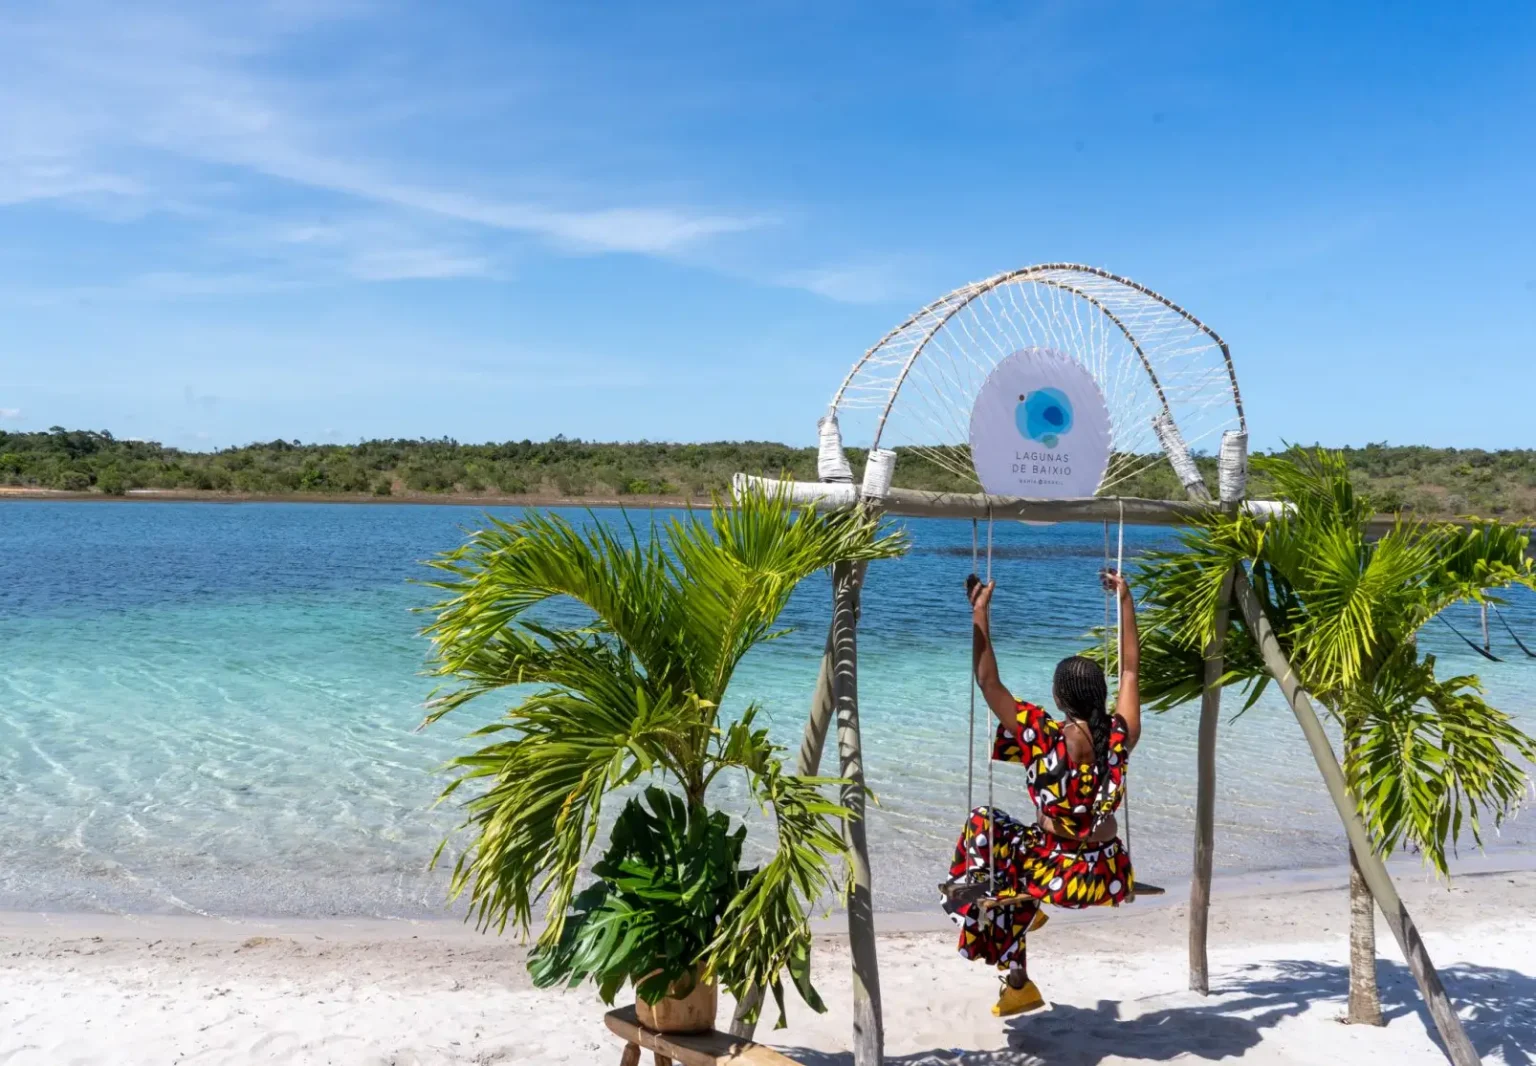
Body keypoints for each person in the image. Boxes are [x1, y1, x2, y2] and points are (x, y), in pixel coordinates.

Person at [939, 568, 1142, 1017]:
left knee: (983, 825)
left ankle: (1016, 954)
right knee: (1014, 871)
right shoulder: (1120, 736)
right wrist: (1125, 600)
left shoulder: (1043, 735)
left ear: (1058, 695)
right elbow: (1130, 669)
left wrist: (979, 613)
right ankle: (1017, 982)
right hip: (1108, 871)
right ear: (1098, 694)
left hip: (1055, 875)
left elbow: (988, 683)